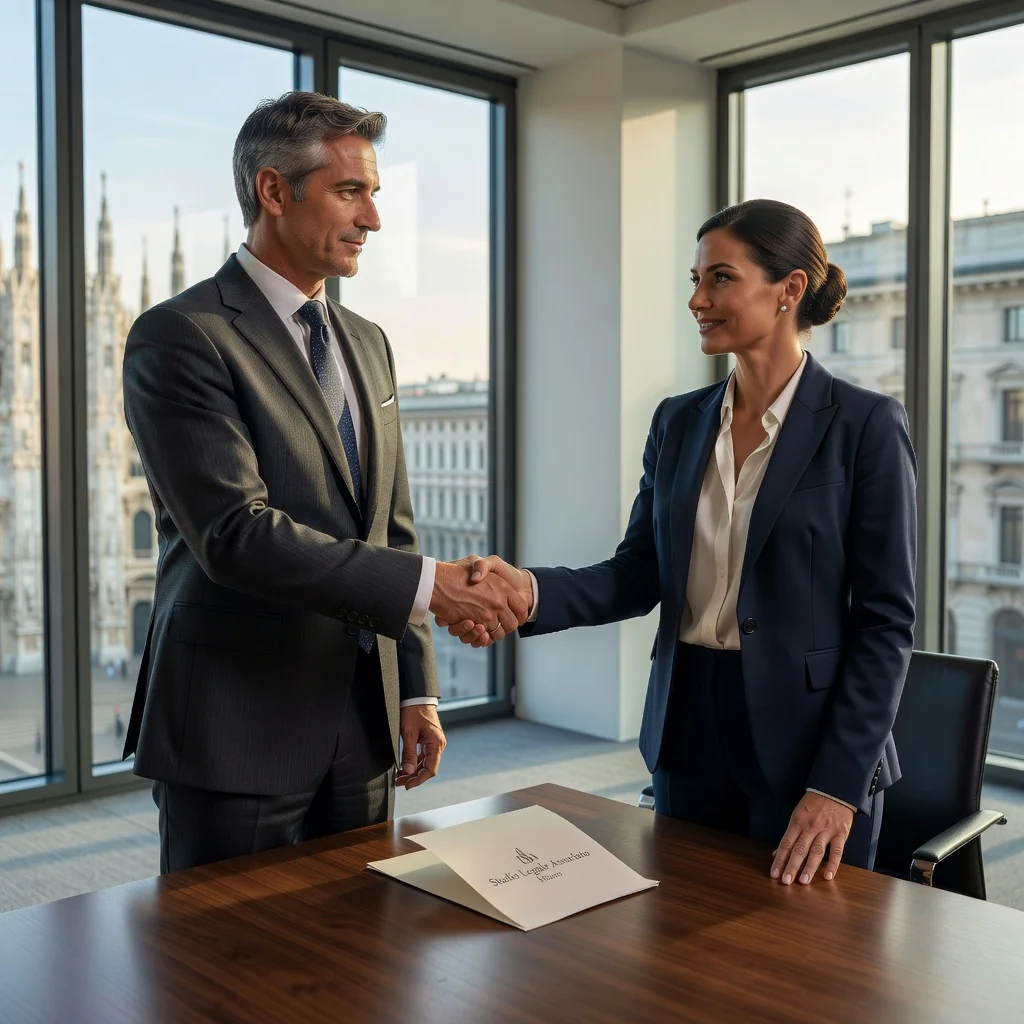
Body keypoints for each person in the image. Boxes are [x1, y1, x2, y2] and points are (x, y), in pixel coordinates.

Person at [441, 199, 917, 887]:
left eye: (720, 278)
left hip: (810, 742)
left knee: (805, 971)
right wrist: (527, 591)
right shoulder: (679, 422)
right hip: (687, 726)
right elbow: (638, 572)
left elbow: (885, 622)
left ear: (789, 290)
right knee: (680, 948)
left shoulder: (865, 425)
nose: (697, 299)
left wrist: (838, 786)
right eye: (694, 280)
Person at [122, 91, 527, 873]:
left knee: (360, 959)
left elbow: (391, 528)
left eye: (374, 194)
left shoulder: (367, 342)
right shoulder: (182, 335)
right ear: (274, 191)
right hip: (237, 723)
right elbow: (235, 535)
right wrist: (437, 588)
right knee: (228, 974)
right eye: (351, 191)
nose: (372, 218)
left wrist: (415, 688)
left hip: (363, 725)